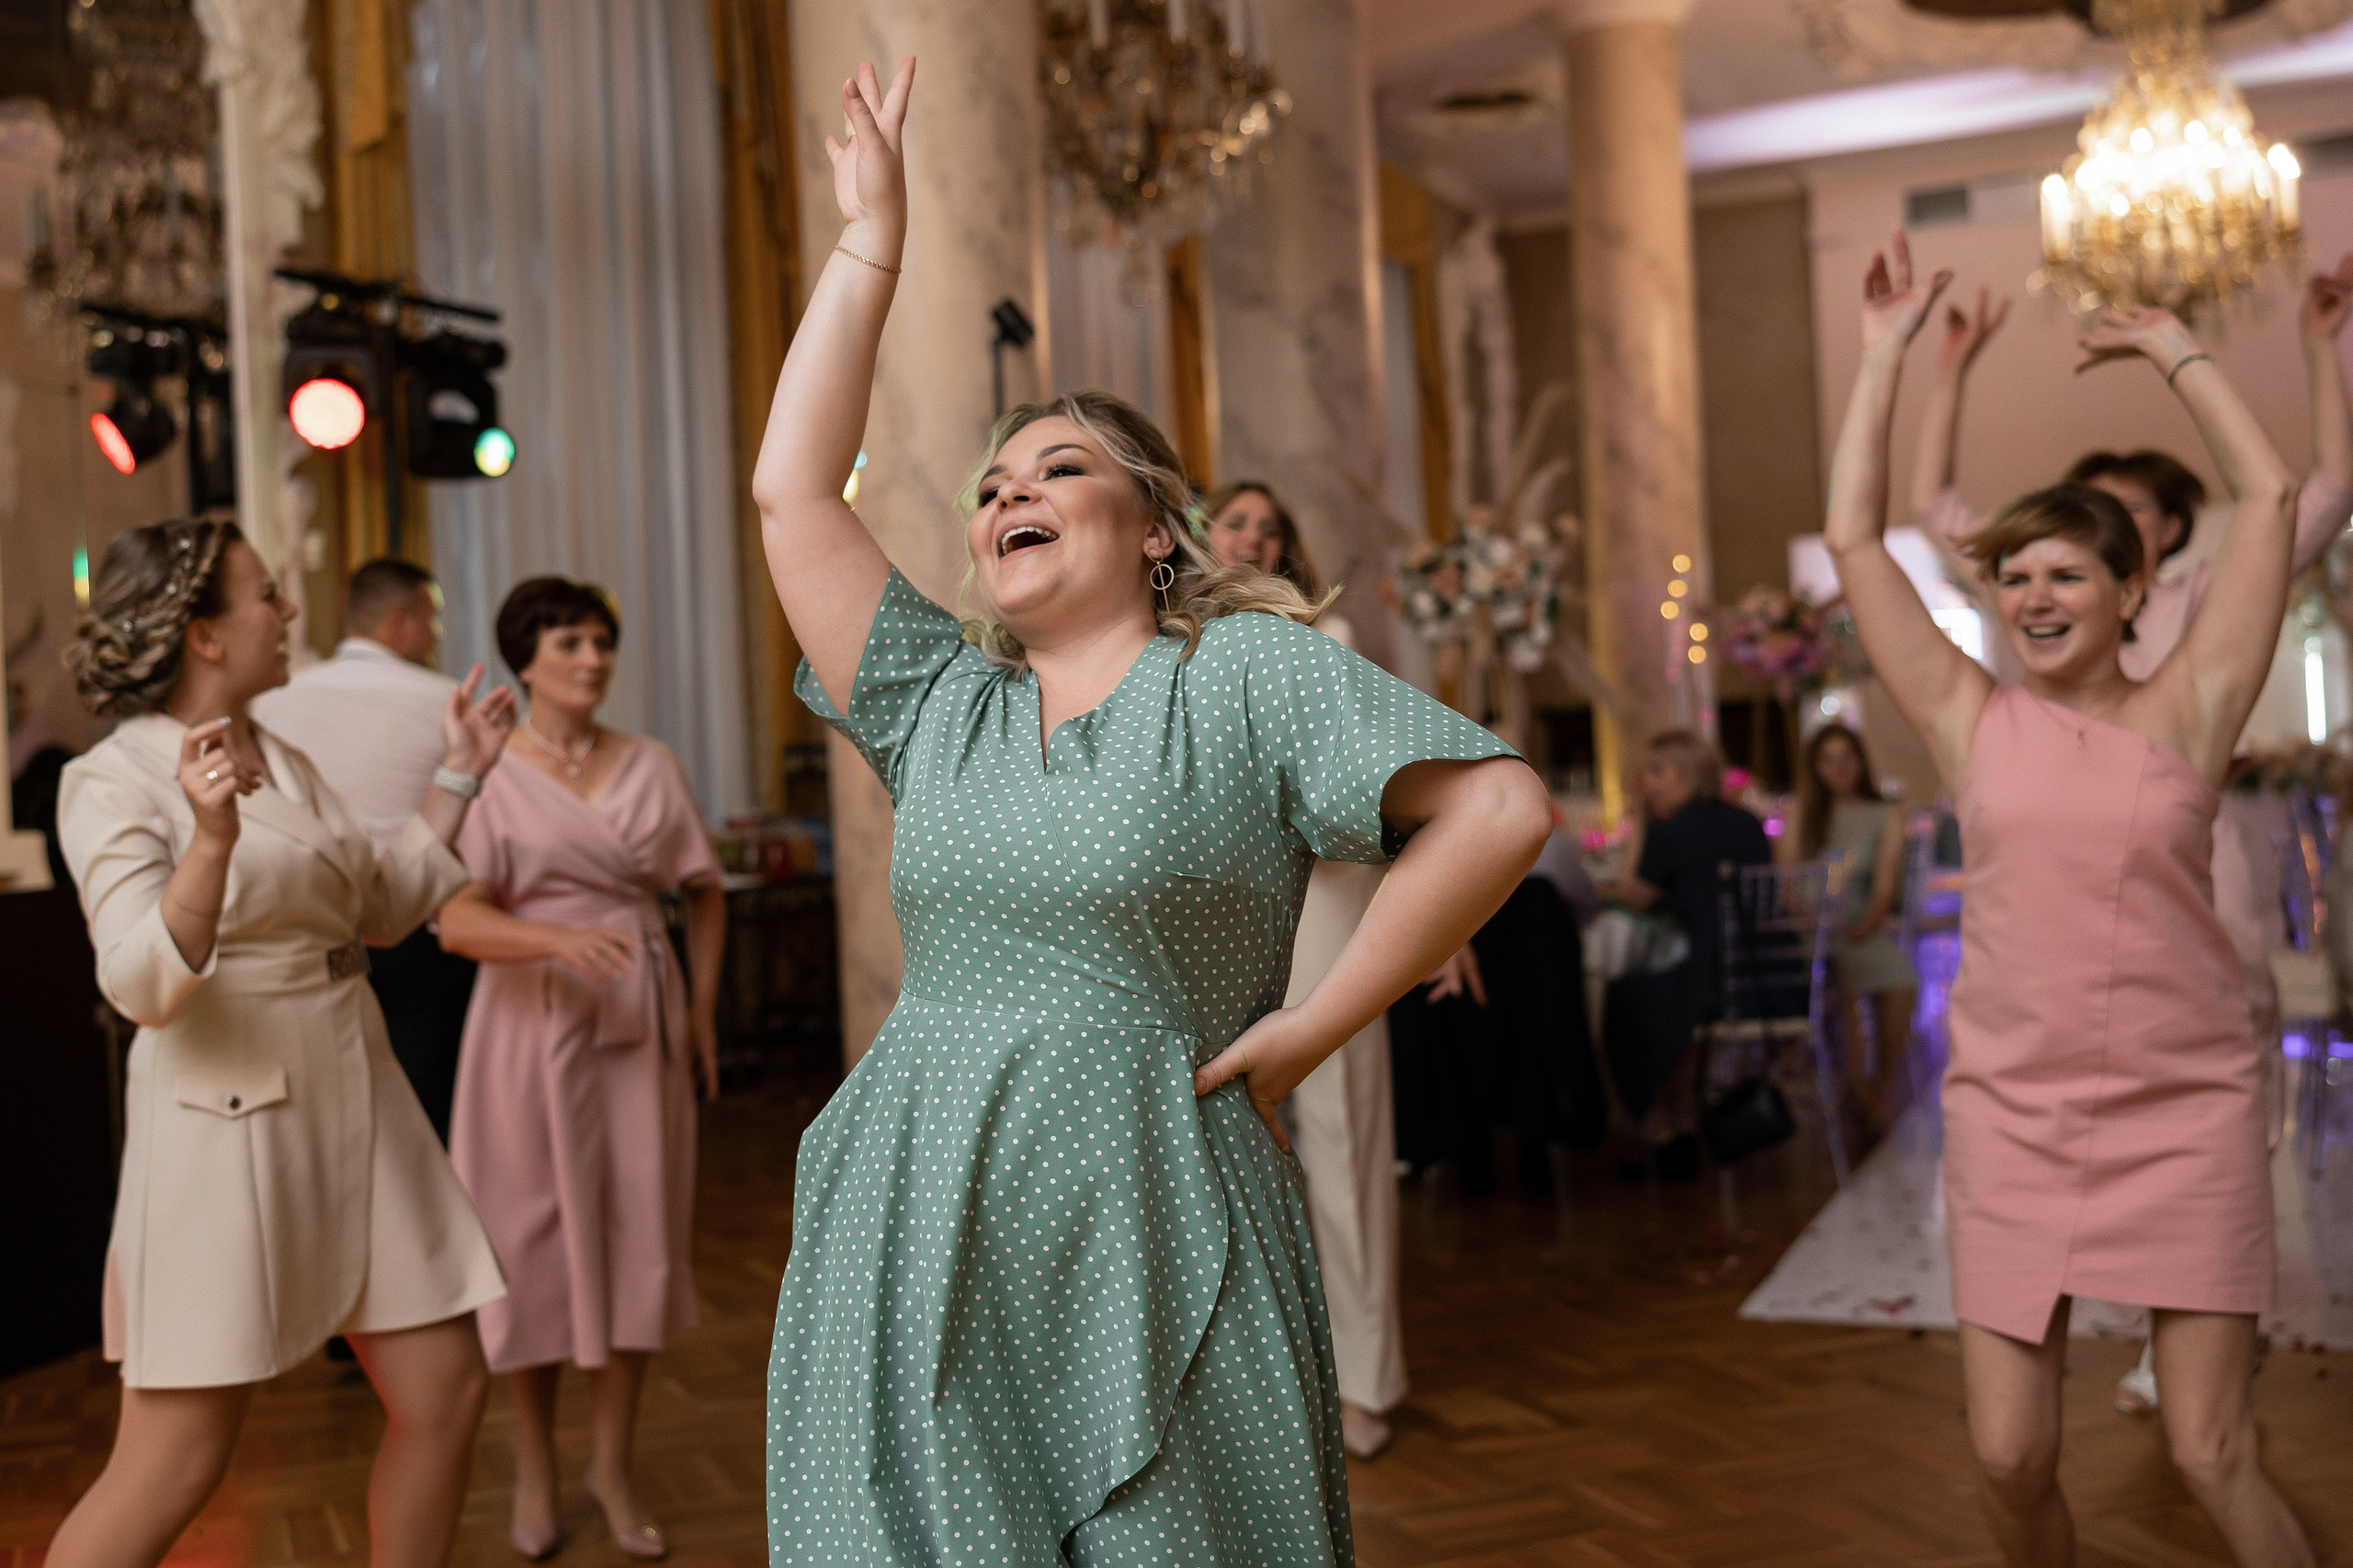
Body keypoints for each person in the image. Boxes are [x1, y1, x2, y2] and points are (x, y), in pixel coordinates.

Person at [753, 58, 1551, 1562]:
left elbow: (1503, 810)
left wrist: (1315, 1027)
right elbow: (795, 493)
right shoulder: (939, 698)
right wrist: (872, 247)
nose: (1005, 498)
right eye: (990, 487)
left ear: (1159, 531)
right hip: (925, 1201)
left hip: (1160, 1198)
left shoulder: (1246, 672)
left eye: (1057, 468)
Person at [1825, 230, 2315, 1568]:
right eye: (2014, 574)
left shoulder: (2193, 711)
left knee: (2213, 1451)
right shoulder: (1968, 717)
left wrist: (2177, 355)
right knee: (2007, 1453)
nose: (2034, 593)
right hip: (2015, 1116)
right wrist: (1883, 356)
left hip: (2190, 1107)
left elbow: (2270, 501)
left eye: (2066, 571)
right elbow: (1853, 536)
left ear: (2132, 590)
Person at [1914, 254, 2353, 1417]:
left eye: (2125, 517)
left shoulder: (2211, 600)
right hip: (2056, 908)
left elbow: (2306, 496)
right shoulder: (2033, 631)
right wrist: (1944, 367)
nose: (2055, 576)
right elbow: (1931, 519)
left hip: (2185, 869)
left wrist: (2307, 351)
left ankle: (2197, 1307)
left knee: (2228, 1042)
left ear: (2148, 552)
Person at [48, 519, 514, 1568]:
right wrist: (208, 842)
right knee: (173, 1462)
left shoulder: (284, 753)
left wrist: (461, 774)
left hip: (362, 1100)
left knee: (445, 1388)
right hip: (228, 1128)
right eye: (266, 593)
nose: (289, 610)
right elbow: (139, 982)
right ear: (204, 634)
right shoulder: (113, 778)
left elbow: (380, 907)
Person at [434, 576, 726, 1562]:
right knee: (532, 1246)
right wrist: (553, 940)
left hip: (639, 1026)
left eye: (603, 640)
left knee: (637, 1234)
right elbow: (453, 916)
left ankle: (612, 1461)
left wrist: (697, 1007)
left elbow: (703, 893)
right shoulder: (488, 771)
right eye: (570, 641)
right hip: (525, 1030)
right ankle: (532, 1462)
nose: (593, 658)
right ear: (525, 658)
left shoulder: (650, 762)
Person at [1204, 479, 1404, 1460]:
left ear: (1286, 550)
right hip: (1207, 914)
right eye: (1234, 519)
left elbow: (1377, 787)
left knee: (1344, 1137)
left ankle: (1366, 1380)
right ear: (1196, 533)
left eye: (1267, 526)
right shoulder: (1163, 646)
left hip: (1323, 901)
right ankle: (1243, 1386)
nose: (1249, 535)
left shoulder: (1326, 643)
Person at [253, 558, 479, 1142]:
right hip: (419, 928)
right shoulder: (448, 701)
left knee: (334, 1114)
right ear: (399, 623)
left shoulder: (275, 700)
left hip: (311, 924)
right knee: (426, 1108)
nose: (435, 636)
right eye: (432, 621)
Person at [1602, 729, 1772, 1176]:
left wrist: (1638, 820)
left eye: (1655, 771)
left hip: (1709, 980)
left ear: (1680, 777)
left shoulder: (1670, 829)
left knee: (1626, 996)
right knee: (1662, 994)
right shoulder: (1749, 823)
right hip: (1763, 976)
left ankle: (1663, 1125)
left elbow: (1632, 896)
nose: (1647, 780)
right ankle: (1680, 1122)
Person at [1782, 722, 1915, 1141]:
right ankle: (1862, 1098)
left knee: (1902, 982)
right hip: (1813, 929)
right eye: (1828, 759)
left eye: (1847, 757)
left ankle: (1873, 1092)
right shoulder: (1802, 814)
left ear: (1860, 761)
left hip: (1861, 925)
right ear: (1815, 767)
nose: (1839, 768)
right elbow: (1785, 883)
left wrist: (1865, 925)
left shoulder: (1886, 813)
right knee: (1848, 992)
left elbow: (1885, 884)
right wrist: (1814, 921)